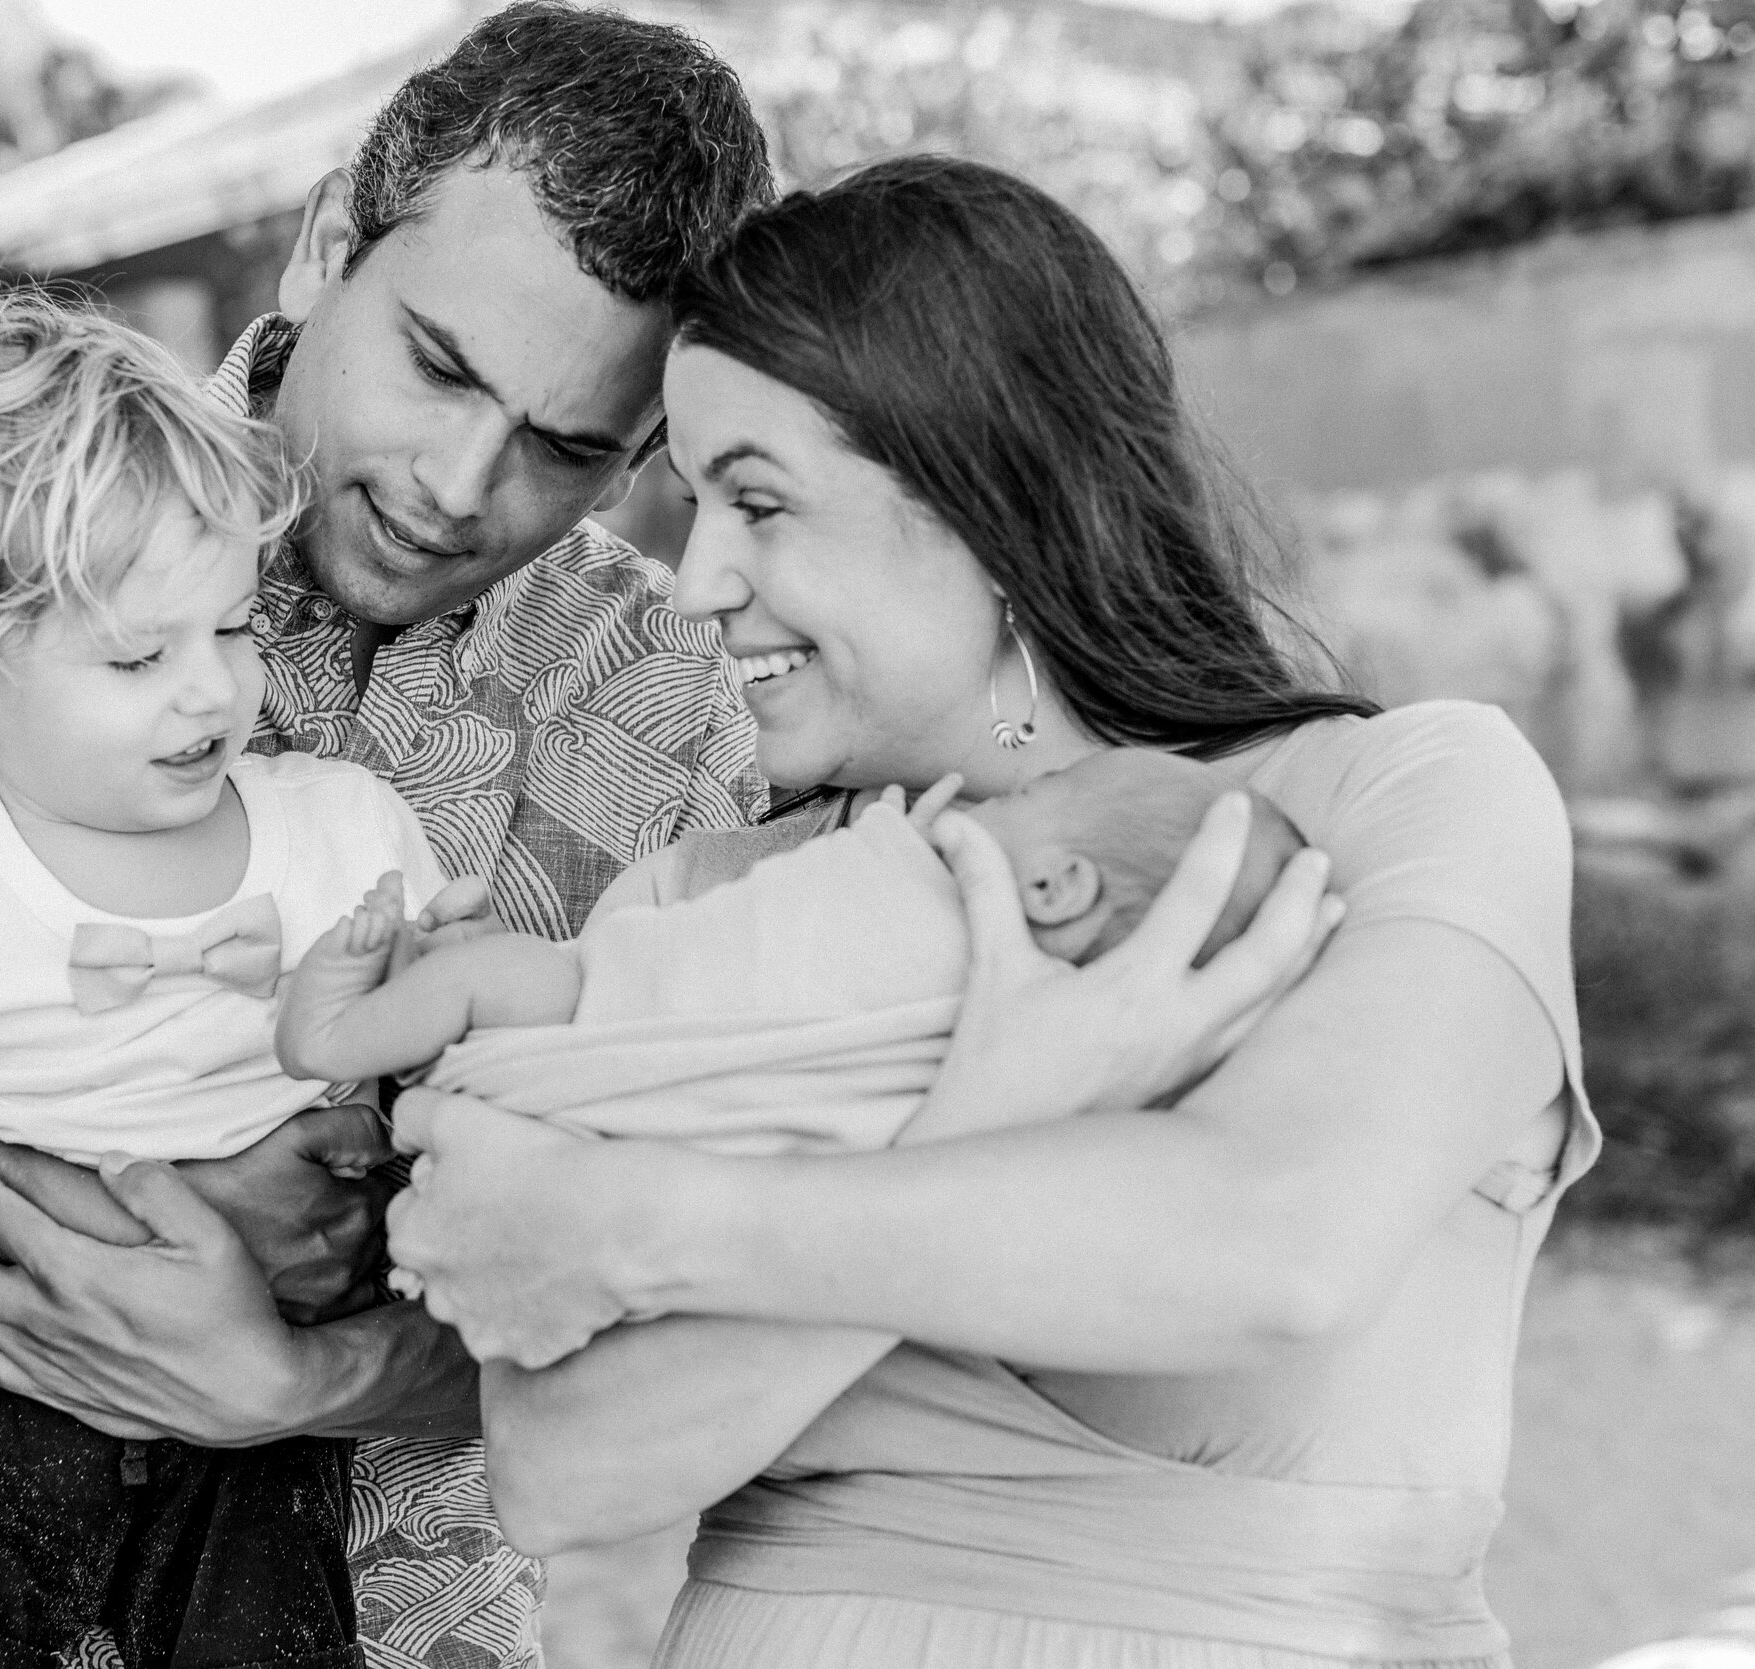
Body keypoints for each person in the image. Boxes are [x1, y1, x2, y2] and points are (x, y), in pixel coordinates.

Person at [0, 7, 774, 1666]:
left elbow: (678, 1295)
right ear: (333, 239)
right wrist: (143, 1219)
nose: (461, 484)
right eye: (440, 365)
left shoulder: (676, 693)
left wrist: (297, 1369)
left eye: (568, 449)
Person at [383, 154, 1595, 1669]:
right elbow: (566, 1467)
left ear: (997, 500)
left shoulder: (1399, 800)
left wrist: (639, 1225)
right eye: (691, 505)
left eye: (759, 501)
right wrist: (1003, 1103)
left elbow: (1278, 1248)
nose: (696, 582)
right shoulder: (701, 904)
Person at [0, 285, 494, 1669]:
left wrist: (418, 986)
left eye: (233, 630)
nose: (210, 694)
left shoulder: (339, 834)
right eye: (137, 653)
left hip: (259, 1394)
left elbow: (455, 1088)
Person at [275, 753, 1306, 1158]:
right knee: (481, 961)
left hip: (621, 1016)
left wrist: (908, 839)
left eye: (1023, 804)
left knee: (477, 976)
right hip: (653, 1049)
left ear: (1053, 887)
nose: (987, 805)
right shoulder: (1003, 1024)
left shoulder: (957, 952)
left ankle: (328, 1035)